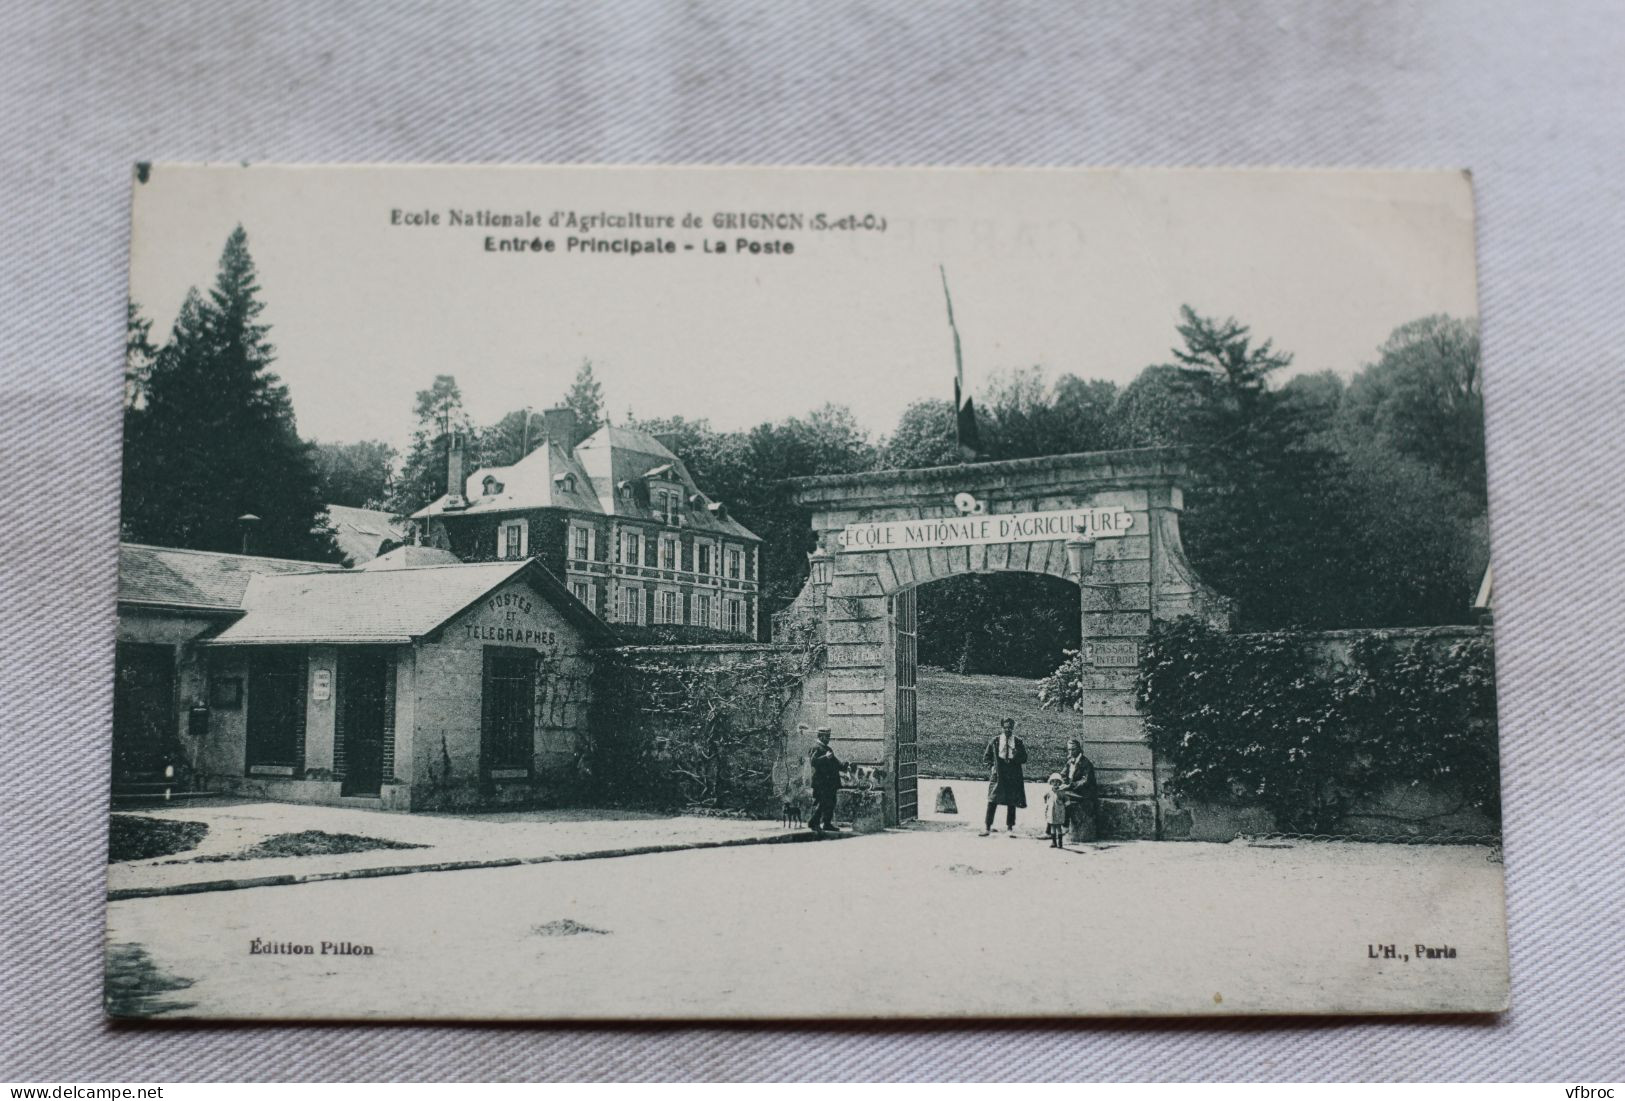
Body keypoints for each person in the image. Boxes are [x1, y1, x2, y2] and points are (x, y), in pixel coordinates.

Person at [981, 717, 1028, 836]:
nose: (1008, 730)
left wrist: (1017, 755)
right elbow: (987, 757)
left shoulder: (1018, 741)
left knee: (1012, 801)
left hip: (1012, 772)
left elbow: (1024, 758)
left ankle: (1010, 828)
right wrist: (992, 767)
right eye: (1005, 727)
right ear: (1002, 727)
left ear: (1013, 728)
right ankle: (987, 827)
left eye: (1010, 728)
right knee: (992, 799)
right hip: (999, 772)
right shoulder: (995, 741)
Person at [1060, 737, 1098, 841]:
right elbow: (1063, 774)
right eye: (1069, 749)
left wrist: (1070, 785)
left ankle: (1065, 826)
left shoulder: (1085, 763)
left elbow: (1085, 781)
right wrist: (1063, 782)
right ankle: (1051, 828)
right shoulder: (1070, 761)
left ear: (1079, 749)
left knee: (1063, 796)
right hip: (1073, 791)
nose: (1071, 752)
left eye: (1073, 749)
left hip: (1084, 793)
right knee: (1053, 796)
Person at [807, 726, 843, 833]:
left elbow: (835, 762)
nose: (828, 739)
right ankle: (814, 823)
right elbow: (813, 762)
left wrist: (845, 766)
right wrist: (825, 757)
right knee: (820, 803)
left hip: (830, 783)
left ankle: (827, 823)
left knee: (831, 803)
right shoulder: (815, 747)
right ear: (821, 736)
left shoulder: (828, 749)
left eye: (829, 736)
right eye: (827, 737)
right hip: (821, 782)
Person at [1043, 773, 1067, 848]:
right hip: (1051, 812)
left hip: (1059, 812)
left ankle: (1060, 843)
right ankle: (1054, 842)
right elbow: (1045, 798)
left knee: (1059, 827)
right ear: (1051, 783)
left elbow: (1066, 801)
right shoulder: (1049, 792)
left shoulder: (1061, 792)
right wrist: (1046, 803)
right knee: (1052, 827)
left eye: (1057, 782)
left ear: (1060, 783)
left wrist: (1063, 806)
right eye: (1053, 781)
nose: (1055, 783)